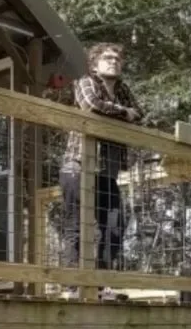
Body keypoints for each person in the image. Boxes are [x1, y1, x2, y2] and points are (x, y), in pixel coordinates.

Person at [60, 43, 140, 286]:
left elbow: (139, 113)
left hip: (106, 172)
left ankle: (101, 281)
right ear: (95, 63)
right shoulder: (85, 81)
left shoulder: (123, 90)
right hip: (77, 166)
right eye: (107, 57)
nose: (113, 61)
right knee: (76, 226)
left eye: (117, 58)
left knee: (115, 225)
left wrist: (123, 111)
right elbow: (92, 104)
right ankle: (73, 286)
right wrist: (123, 113)